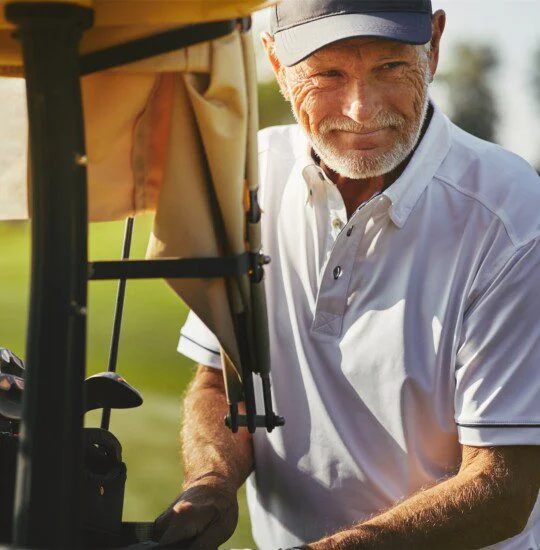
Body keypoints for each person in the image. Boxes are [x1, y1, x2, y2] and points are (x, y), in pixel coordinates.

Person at [155, 1, 540, 548]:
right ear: (275, 61)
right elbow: (221, 382)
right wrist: (212, 480)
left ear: (435, 44)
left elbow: (503, 486)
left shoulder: (513, 217)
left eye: (390, 67)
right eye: (327, 74)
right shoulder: (245, 177)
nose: (361, 111)